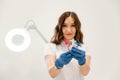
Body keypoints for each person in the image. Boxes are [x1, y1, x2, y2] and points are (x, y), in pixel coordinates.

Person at [44, 11, 91, 80]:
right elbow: (52, 74)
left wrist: (82, 62)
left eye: (73, 25)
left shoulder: (83, 47)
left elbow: (85, 73)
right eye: (64, 25)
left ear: (77, 28)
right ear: (60, 28)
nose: (69, 30)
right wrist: (59, 63)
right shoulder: (50, 47)